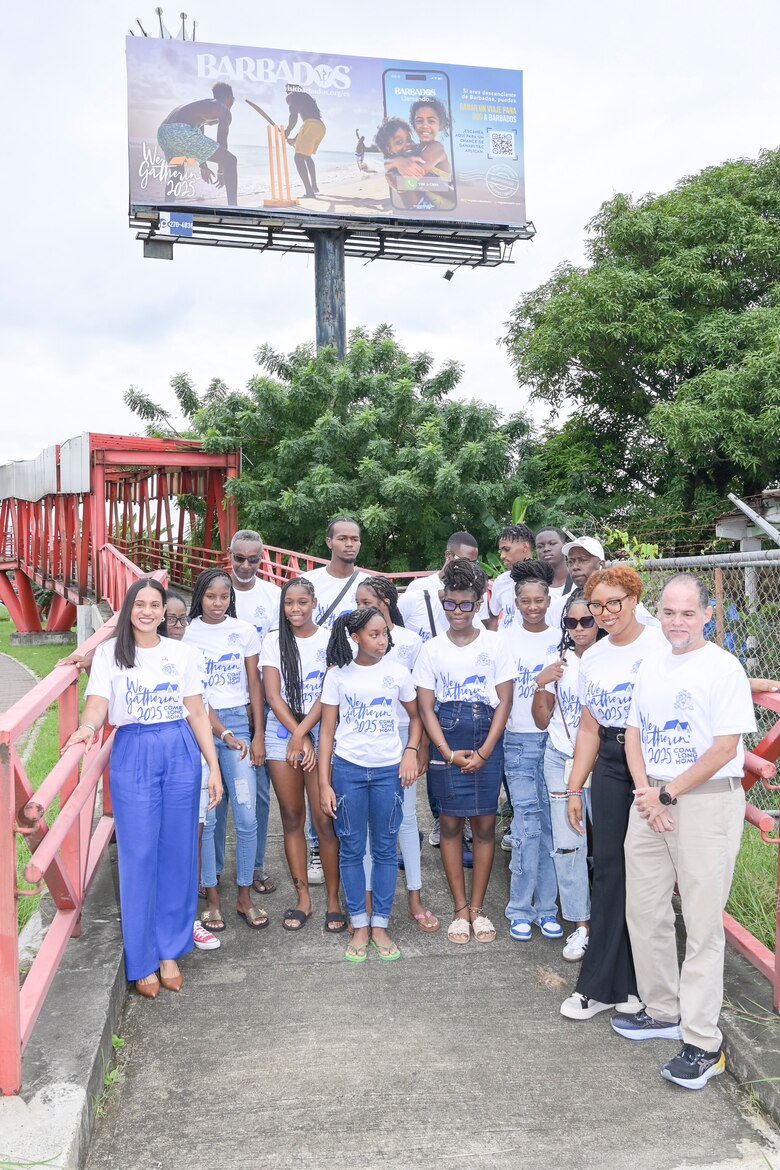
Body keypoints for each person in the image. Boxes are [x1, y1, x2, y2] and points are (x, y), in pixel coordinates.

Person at [613, 574, 755, 1091]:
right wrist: (646, 793)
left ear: (708, 613)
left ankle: (703, 1042)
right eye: (669, 612)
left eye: (688, 613)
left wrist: (668, 794)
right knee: (645, 908)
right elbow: (632, 734)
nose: (677, 623)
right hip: (650, 799)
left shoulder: (723, 667)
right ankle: (663, 1008)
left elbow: (724, 748)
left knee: (700, 924)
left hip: (702, 801)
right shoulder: (651, 661)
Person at [61, 579, 221, 998]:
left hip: (179, 749)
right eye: (141, 604)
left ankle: (171, 949)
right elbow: (97, 701)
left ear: (165, 612)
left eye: (156, 606)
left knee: (177, 850)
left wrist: (214, 767)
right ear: (129, 608)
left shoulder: (182, 653)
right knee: (138, 853)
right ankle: (143, 956)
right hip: (133, 751)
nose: (148, 612)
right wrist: (86, 727)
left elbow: (197, 712)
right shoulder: (112, 654)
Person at [559, 566, 665, 1020]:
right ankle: (601, 986)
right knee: (608, 869)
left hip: (657, 765)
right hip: (609, 763)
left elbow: (706, 680)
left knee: (648, 877)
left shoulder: (662, 643)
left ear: (634, 598)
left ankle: (642, 985)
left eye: (614, 603)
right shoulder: (594, 657)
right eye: (597, 606)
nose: (605, 614)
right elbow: (588, 726)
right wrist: (573, 788)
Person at [414, 558, 514, 945]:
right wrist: (447, 752)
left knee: (486, 825)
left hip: (486, 735)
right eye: (450, 604)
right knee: (452, 824)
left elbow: (504, 701)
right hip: (447, 738)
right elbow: (425, 707)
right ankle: (458, 909)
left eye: (466, 605)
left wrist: (486, 752)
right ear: (443, 601)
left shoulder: (495, 643)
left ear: (478, 602)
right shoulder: (431, 649)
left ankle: (478, 907)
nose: (457, 612)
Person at [319, 607, 423, 962]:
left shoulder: (397, 673)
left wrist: (410, 751)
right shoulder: (337, 675)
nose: (383, 641)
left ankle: (380, 923)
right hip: (347, 770)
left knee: (383, 850)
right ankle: (359, 923)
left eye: (385, 634)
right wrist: (324, 783)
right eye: (374, 634)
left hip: (387, 771)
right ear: (355, 637)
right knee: (350, 849)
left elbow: (415, 716)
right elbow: (327, 732)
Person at [184, 569, 268, 932]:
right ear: (199, 597)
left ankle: (244, 894)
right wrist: (224, 731)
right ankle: (213, 895)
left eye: (224, 597)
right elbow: (196, 696)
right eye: (211, 597)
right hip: (200, 724)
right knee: (210, 816)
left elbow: (254, 682)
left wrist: (258, 733)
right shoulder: (188, 634)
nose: (218, 604)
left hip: (239, 724)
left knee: (247, 814)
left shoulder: (244, 631)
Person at [261, 577, 345, 933]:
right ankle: (303, 900)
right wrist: (297, 735)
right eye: (288, 603)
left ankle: (332, 901)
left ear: (314, 603)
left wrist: (305, 735)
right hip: (281, 736)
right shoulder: (272, 642)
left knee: (325, 820)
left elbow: (329, 693)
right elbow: (272, 694)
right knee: (292, 818)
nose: (295, 609)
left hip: (320, 731)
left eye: (302, 602)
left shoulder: (330, 640)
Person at [356, 577, 439, 933]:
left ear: (387, 601)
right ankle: (371, 899)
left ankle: (415, 896)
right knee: (370, 826)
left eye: (366, 602)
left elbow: (420, 700)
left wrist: (417, 749)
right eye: (357, 603)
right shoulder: (351, 640)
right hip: (364, 742)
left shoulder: (409, 642)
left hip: (404, 739)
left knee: (405, 818)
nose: (359, 608)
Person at [398, 530, 488, 850]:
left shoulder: (476, 593)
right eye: (465, 560)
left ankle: (459, 819)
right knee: (433, 754)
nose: (470, 568)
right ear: (448, 556)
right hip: (423, 684)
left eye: (474, 563)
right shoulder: (417, 592)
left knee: (458, 750)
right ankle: (441, 816)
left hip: (457, 684)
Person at [531, 588, 603, 961]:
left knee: (608, 845)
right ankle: (581, 925)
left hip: (603, 762)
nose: (578, 629)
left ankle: (609, 922)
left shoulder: (614, 659)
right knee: (568, 845)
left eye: (586, 621)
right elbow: (541, 720)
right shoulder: (557, 661)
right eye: (571, 623)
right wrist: (542, 683)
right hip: (560, 758)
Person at [502, 561, 562, 941]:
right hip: (518, 741)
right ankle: (519, 909)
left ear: (548, 599)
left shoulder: (562, 637)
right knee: (526, 825)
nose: (533, 606)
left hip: (555, 742)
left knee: (552, 827)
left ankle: (548, 909)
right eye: (526, 600)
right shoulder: (504, 639)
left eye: (539, 600)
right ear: (517, 602)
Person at [162, 591, 221, 953]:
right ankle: (166, 924)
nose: (177, 625)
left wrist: (215, 758)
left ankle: (188, 922)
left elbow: (201, 711)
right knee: (161, 846)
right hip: (157, 758)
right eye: (171, 618)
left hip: (193, 759)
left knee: (191, 845)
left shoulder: (190, 656)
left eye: (183, 618)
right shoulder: (129, 655)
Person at [229, 529, 281, 897]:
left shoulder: (273, 596)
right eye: (238, 559)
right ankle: (213, 869)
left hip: (261, 704)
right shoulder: (214, 594)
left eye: (253, 560)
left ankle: (256, 863)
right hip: (222, 707)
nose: (245, 566)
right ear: (228, 556)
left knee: (259, 793)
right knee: (217, 796)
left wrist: (261, 708)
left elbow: (276, 655)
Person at [157, 82, 238, 205]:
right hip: (181, 131)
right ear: (229, 98)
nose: (233, 103)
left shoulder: (202, 105)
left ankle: (167, 206)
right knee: (231, 161)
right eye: (233, 99)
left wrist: (203, 165)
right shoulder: (223, 109)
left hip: (163, 133)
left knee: (177, 173)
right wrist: (221, 171)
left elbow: (198, 137)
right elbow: (222, 141)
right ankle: (234, 208)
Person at [562, 537, 659, 627]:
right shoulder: (561, 605)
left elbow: (657, 632)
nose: (575, 567)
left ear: (601, 565)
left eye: (583, 560)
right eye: (571, 562)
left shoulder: (625, 604)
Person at [300, 517, 370, 632]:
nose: (349, 544)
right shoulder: (307, 582)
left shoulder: (370, 585)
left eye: (355, 539)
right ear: (329, 542)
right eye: (342, 539)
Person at [486, 524, 535, 631]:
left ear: (525, 547)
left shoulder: (544, 580)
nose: (502, 556)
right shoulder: (501, 581)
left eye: (506, 549)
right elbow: (493, 616)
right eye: (501, 551)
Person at [283, 86, 326, 198]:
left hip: (310, 125)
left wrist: (287, 131)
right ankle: (314, 186)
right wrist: (294, 139)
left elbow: (293, 117)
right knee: (306, 156)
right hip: (320, 127)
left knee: (298, 157)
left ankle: (309, 192)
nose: (289, 105)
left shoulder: (293, 97)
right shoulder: (306, 98)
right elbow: (305, 127)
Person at [536, 527, 574, 604]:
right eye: (540, 546)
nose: (546, 549)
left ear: (564, 546)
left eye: (552, 543)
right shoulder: (531, 586)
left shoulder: (578, 582)